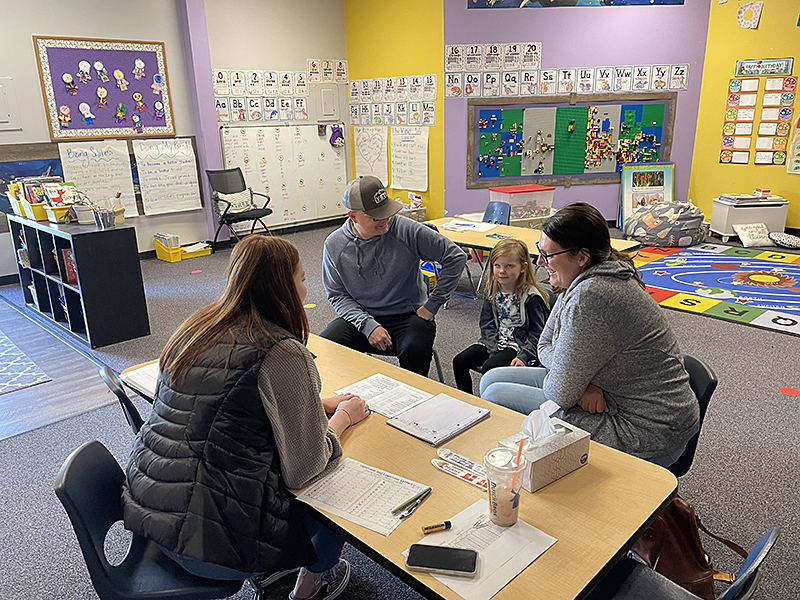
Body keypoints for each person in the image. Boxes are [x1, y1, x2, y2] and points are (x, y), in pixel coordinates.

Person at [122, 235, 370, 600]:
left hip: (151, 515)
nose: (305, 288)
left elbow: (227, 408)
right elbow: (306, 467)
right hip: (210, 546)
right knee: (336, 487)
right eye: (301, 278)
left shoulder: (196, 328)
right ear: (283, 286)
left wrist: (314, 403)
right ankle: (309, 586)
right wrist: (343, 418)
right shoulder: (283, 352)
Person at [480, 203, 699, 466]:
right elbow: (545, 343)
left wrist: (573, 379)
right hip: (614, 396)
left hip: (646, 428)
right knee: (490, 379)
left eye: (548, 255)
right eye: (540, 252)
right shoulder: (580, 279)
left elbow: (560, 393)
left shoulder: (592, 295)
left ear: (581, 256)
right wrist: (580, 380)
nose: (540, 262)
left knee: (494, 396)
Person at [321, 176, 467, 376]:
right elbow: (337, 294)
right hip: (362, 315)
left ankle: (415, 402)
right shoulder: (334, 245)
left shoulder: (405, 229)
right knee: (326, 347)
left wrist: (433, 305)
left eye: (386, 213)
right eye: (375, 217)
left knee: (413, 351)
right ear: (353, 216)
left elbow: (455, 256)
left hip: (408, 315)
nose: (384, 221)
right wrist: (367, 325)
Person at [452, 238, 550, 394]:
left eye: (509, 266)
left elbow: (538, 334)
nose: (502, 271)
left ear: (523, 267)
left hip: (518, 345)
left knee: (490, 367)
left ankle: (491, 404)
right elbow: (486, 324)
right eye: (497, 265)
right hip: (494, 342)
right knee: (460, 361)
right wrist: (492, 348)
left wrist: (525, 356)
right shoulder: (493, 290)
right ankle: (468, 401)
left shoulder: (531, 297)